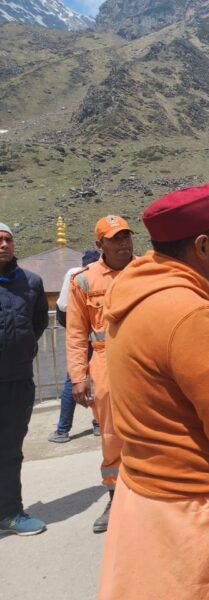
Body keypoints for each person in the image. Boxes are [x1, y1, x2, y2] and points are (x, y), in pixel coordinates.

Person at [98, 183, 209, 600]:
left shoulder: (133, 291)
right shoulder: (191, 312)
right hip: (195, 507)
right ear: (202, 246)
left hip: (143, 491)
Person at [66, 216, 134, 533]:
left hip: (145, 358)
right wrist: (78, 377)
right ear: (100, 245)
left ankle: (153, 497)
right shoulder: (84, 281)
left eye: (126, 237)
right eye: (115, 239)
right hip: (106, 362)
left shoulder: (147, 270)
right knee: (111, 434)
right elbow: (76, 334)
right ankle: (115, 496)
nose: (124, 243)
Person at [0, 223, 49, 536]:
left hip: (17, 379)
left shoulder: (31, 283)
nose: (3, 244)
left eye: (7, 239)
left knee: (10, 449)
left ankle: (9, 512)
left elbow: (38, 323)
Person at [48, 249, 100, 443]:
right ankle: (99, 424)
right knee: (100, 380)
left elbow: (61, 306)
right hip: (101, 339)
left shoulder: (74, 274)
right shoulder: (101, 274)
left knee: (74, 381)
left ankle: (62, 430)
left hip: (80, 339)